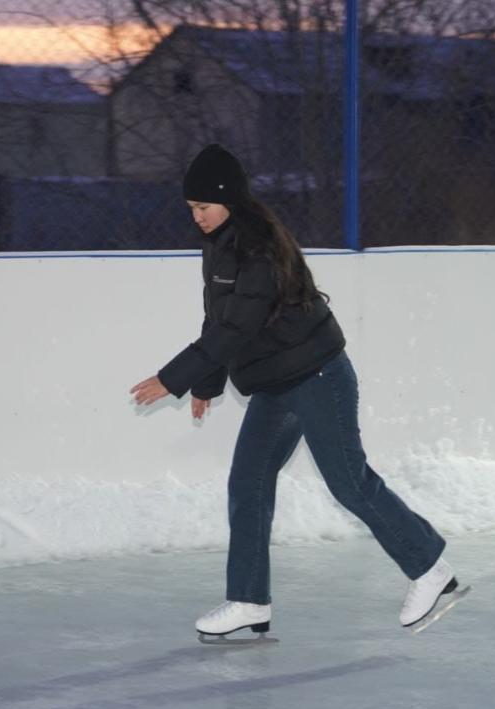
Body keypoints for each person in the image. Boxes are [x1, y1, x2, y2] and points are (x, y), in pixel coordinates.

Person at [129, 143, 460, 638]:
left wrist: (172, 378)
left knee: (349, 482)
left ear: (229, 199)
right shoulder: (219, 242)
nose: (196, 217)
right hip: (275, 384)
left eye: (203, 207)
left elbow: (237, 327)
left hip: (317, 376)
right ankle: (248, 601)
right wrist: (205, 381)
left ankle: (430, 568)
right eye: (191, 209)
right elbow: (218, 317)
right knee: (248, 485)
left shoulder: (257, 247)